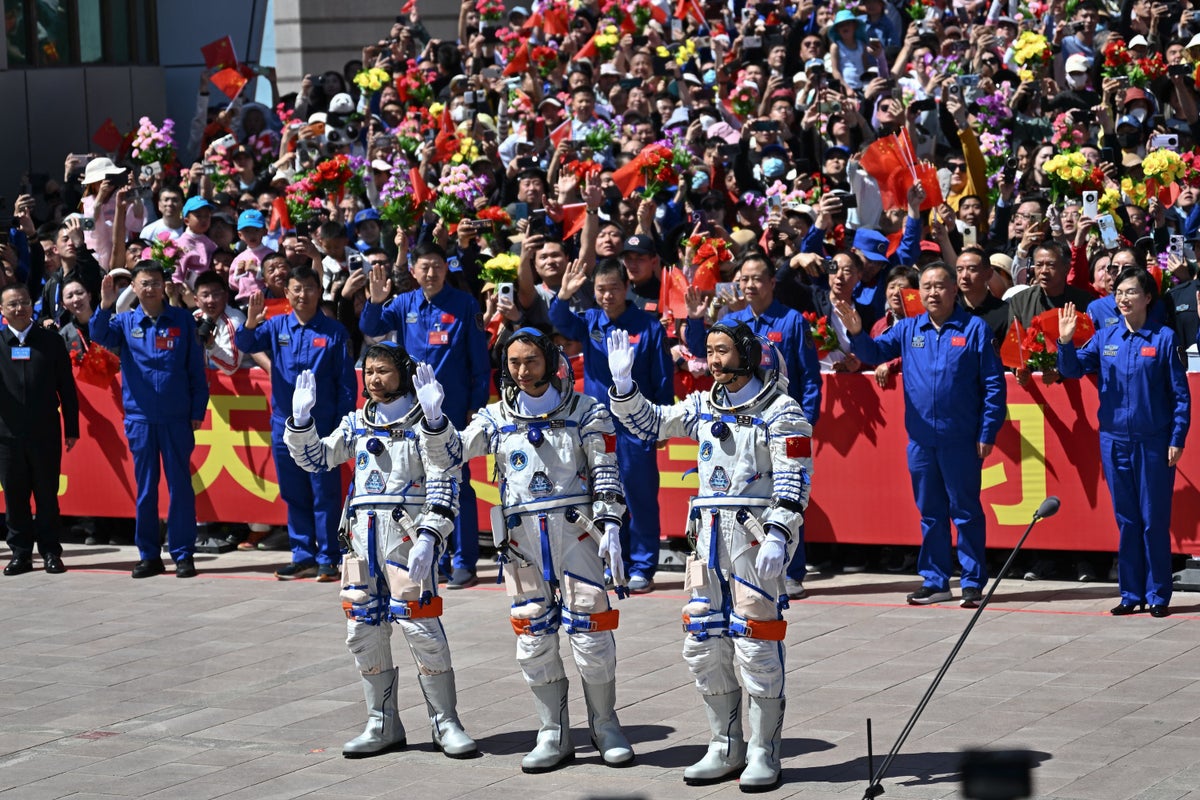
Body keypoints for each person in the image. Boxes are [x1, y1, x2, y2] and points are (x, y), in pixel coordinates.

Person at [414, 328, 633, 774]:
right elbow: (449, 455)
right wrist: (435, 419)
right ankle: (551, 730)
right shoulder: (494, 417)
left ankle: (605, 724)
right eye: (513, 363)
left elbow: (607, 470)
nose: (521, 370)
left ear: (551, 362)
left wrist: (610, 525)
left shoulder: (585, 410)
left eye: (530, 361)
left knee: (590, 633)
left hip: (577, 535)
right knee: (533, 635)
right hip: (522, 542)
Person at [606, 322, 812, 792]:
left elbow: (795, 478)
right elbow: (650, 425)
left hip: (753, 538)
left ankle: (764, 750)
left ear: (748, 354)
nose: (714, 361)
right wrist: (623, 388)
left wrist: (780, 533)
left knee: (756, 643)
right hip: (706, 538)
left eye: (722, 351)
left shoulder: (782, 411)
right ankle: (724, 743)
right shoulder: (701, 405)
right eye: (710, 353)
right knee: (703, 640)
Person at [284, 343, 476, 759]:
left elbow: (445, 480)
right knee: (362, 631)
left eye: (384, 370)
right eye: (368, 371)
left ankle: (446, 722)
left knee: (422, 631)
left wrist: (430, 535)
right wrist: (300, 421)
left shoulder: (426, 423)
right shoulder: (356, 423)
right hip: (360, 543)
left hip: (406, 543)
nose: (374, 379)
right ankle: (382, 722)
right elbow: (317, 459)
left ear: (403, 374)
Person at [837, 262, 1006, 607]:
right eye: (926, 287)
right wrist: (857, 333)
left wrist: (987, 431)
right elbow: (874, 353)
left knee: (966, 511)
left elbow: (993, 385)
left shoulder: (974, 329)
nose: (932, 293)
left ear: (954, 290)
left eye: (939, 286)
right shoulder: (908, 329)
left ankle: (972, 581)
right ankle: (936, 580)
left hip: (961, 439)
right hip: (921, 441)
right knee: (930, 512)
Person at [683, 251, 822, 600]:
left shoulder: (790, 321)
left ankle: (792, 570)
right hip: (741, 431)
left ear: (772, 282)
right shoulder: (734, 318)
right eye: (743, 278)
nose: (749, 285)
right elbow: (704, 350)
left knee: (786, 493)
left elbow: (809, 377)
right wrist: (698, 320)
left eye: (757, 278)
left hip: (777, 424)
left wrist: (802, 422)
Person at [1057, 271, 1190, 617]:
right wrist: (1066, 342)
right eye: (1119, 292)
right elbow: (1070, 371)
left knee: (1153, 520)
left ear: (1148, 298)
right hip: (1114, 441)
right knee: (1127, 519)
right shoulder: (1105, 338)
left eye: (1132, 292)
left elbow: (1180, 396)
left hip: (1153, 441)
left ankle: (1159, 595)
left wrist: (1177, 438)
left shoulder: (1163, 339)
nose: (1124, 298)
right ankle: (1131, 593)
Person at [359, 244, 490, 589]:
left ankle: (464, 560)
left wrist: (475, 405)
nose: (430, 273)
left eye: (436, 266)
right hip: (409, 413)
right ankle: (436, 556)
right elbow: (372, 329)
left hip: (451, 411)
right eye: (423, 267)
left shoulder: (464, 305)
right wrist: (373, 300)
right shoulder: (404, 304)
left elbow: (480, 362)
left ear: (445, 269)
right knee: (419, 484)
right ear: (413, 271)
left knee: (455, 483)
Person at [550, 258, 673, 593]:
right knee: (603, 496)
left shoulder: (648, 327)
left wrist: (659, 423)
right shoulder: (590, 321)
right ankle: (610, 561)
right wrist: (563, 295)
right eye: (600, 289)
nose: (606, 296)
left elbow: (663, 378)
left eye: (613, 289)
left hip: (635, 426)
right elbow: (558, 321)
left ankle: (643, 566)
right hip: (597, 428)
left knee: (639, 496)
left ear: (627, 288)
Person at [235, 266, 357, 582]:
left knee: (325, 493)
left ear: (319, 291)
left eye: (309, 288)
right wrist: (250, 322)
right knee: (294, 492)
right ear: (287, 293)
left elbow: (346, 384)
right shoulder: (276, 326)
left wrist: (343, 424)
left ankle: (328, 557)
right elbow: (246, 344)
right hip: (284, 425)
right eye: (296, 289)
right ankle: (302, 555)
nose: (303, 295)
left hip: (323, 427)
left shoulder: (334, 332)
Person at [91, 260, 209, 578]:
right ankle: (149, 555)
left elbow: (196, 372)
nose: (150, 288)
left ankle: (183, 554)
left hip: (176, 418)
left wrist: (197, 412)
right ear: (135, 288)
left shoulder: (182, 321)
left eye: (155, 282)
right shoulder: (125, 322)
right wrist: (104, 304)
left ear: (163, 285)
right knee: (145, 489)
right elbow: (98, 334)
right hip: (141, 419)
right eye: (144, 283)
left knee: (180, 487)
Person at [0, 284, 78, 576]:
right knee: (15, 497)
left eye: (24, 302)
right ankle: (20, 553)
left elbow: (67, 388)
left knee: (47, 495)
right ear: (2, 311)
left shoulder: (50, 341)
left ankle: (50, 552)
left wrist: (71, 426)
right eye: (12, 304)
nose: (19, 308)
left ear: (32, 304)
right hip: (7, 436)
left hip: (45, 432)